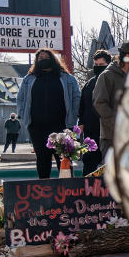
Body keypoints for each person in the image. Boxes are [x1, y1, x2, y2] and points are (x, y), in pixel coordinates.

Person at [16, 50, 80, 179]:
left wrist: (73, 118)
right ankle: (44, 191)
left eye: (46, 57)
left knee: (64, 158)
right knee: (42, 158)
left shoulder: (67, 78)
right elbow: (20, 98)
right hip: (37, 126)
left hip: (62, 125)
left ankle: (67, 189)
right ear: (36, 61)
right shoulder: (29, 79)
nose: (43, 59)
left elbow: (76, 98)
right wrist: (24, 117)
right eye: (40, 58)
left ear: (53, 59)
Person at [94, 40, 129, 162]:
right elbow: (99, 103)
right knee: (113, 177)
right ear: (127, 57)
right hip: (112, 137)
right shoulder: (107, 76)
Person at [78, 49, 112, 174]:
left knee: (108, 164)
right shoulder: (89, 83)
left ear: (108, 65)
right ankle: (87, 191)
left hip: (107, 130)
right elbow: (82, 106)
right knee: (88, 162)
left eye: (101, 65)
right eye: (96, 65)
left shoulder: (112, 83)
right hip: (90, 132)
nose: (98, 68)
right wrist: (81, 122)